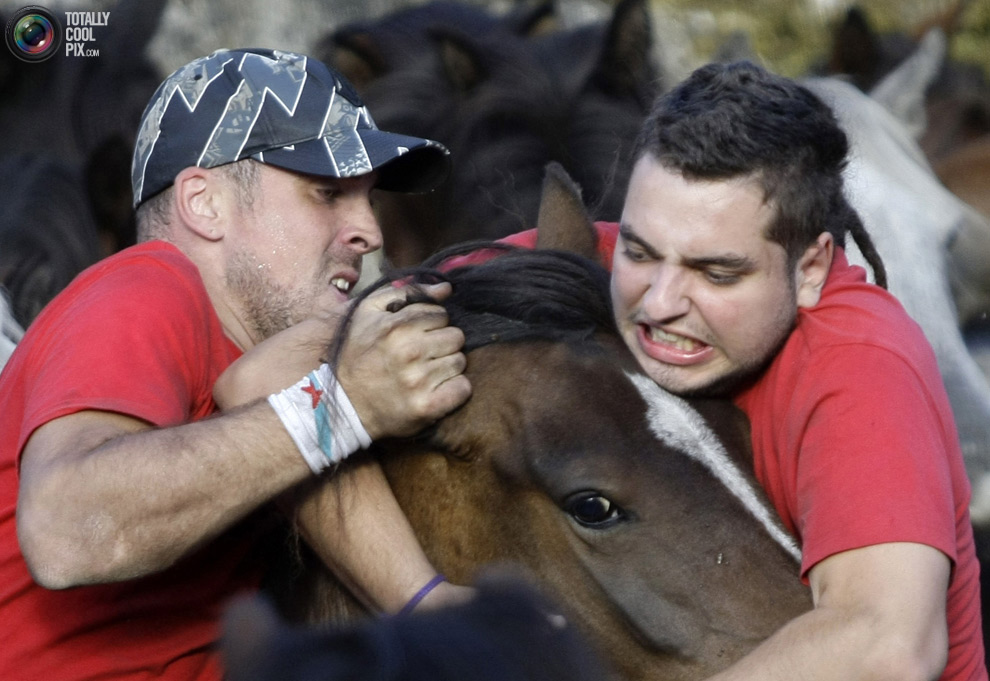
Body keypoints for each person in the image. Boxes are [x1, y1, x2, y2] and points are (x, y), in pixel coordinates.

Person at [459, 60, 985, 680]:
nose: (658, 304)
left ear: (810, 269)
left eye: (717, 273)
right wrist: (420, 598)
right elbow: (352, 355)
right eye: (639, 251)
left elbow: (884, 649)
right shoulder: (592, 265)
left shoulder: (861, 363)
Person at [0, 47, 472, 680]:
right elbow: (65, 531)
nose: (370, 232)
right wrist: (339, 408)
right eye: (326, 192)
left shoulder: (268, 357)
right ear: (205, 203)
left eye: (368, 199)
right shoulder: (146, 288)